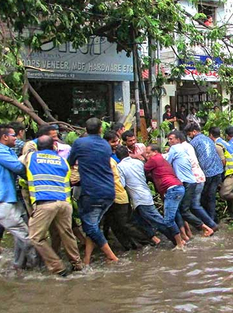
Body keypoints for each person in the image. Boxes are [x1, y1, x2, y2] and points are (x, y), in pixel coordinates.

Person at [26, 135, 83, 275]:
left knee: (35, 237)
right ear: (54, 147)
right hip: (64, 203)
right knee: (67, 234)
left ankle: (58, 267)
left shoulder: (31, 157)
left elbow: (17, 166)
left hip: (45, 203)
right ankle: (77, 264)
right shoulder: (63, 161)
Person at [68, 118, 119, 262]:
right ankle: (87, 259)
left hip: (91, 192)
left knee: (89, 226)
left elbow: (69, 163)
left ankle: (112, 257)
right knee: (93, 224)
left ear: (85, 129)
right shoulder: (105, 145)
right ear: (101, 130)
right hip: (109, 190)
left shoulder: (79, 143)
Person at [116, 145, 188, 247]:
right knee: (137, 219)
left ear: (117, 157)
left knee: (159, 221)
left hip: (140, 198)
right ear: (128, 153)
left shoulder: (120, 167)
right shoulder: (139, 163)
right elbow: (146, 174)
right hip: (145, 195)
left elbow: (122, 184)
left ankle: (178, 241)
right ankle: (155, 239)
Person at [102, 130, 154, 255]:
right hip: (113, 194)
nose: (116, 143)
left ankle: (148, 240)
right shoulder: (110, 158)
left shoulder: (114, 161)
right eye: (114, 142)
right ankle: (129, 246)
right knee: (116, 224)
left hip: (118, 194)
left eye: (116, 141)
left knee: (124, 223)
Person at [0, 124, 39, 270]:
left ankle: (19, 267)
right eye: (13, 135)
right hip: (3, 200)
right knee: (27, 236)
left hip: (11, 198)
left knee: (21, 236)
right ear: (4, 137)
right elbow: (18, 167)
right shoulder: (1, 151)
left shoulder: (8, 150)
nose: (16, 138)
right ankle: (39, 268)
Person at [167, 131, 215, 236]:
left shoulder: (175, 148)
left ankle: (208, 226)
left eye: (171, 139)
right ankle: (197, 229)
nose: (169, 141)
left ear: (178, 140)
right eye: (168, 139)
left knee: (188, 208)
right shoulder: (187, 146)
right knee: (191, 206)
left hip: (190, 179)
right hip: (196, 178)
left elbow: (167, 162)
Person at [185, 123, 223, 222]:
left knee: (203, 197)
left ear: (194, 131)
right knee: (211, 196)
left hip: (206, 173)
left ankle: (206, 221)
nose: (189, 136)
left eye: (189, 134)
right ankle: (212, 218)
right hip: (217, 171)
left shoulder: (193, 143)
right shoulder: (208, 139)